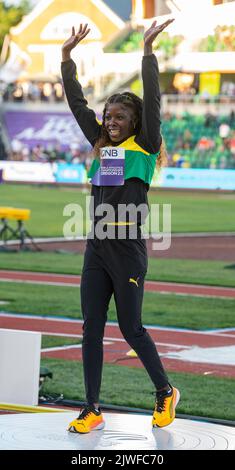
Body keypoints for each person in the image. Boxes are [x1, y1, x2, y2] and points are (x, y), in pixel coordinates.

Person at [61, 20, 180, 434]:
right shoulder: (102, 146)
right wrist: (66, 60)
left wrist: (147, 52)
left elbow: (154, 102)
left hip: (127, 248)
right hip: (97, 247)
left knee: (131, 328)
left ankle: (165, 391)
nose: (111, 121)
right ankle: (91, 407)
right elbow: (78, 106)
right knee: (91, 328)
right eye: (108, 115)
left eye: (119, 116)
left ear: (135, 122)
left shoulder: (145, 145)